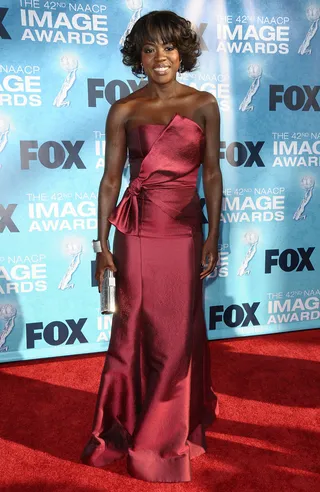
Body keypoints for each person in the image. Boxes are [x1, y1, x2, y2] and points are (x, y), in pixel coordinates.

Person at [81, 9, 222, 483]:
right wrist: (101, 244)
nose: (159, 57)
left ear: (183, 51)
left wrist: (214, 234)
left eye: (168, 47)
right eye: (148, 49)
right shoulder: (124, 109)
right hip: (136, 234)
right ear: (137, 57)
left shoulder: (204, 103)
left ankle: (167, 433)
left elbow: (212, 174)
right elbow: (108, 181)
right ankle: (122, 427)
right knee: (132, 331)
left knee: (177, 335)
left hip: (184, 233)